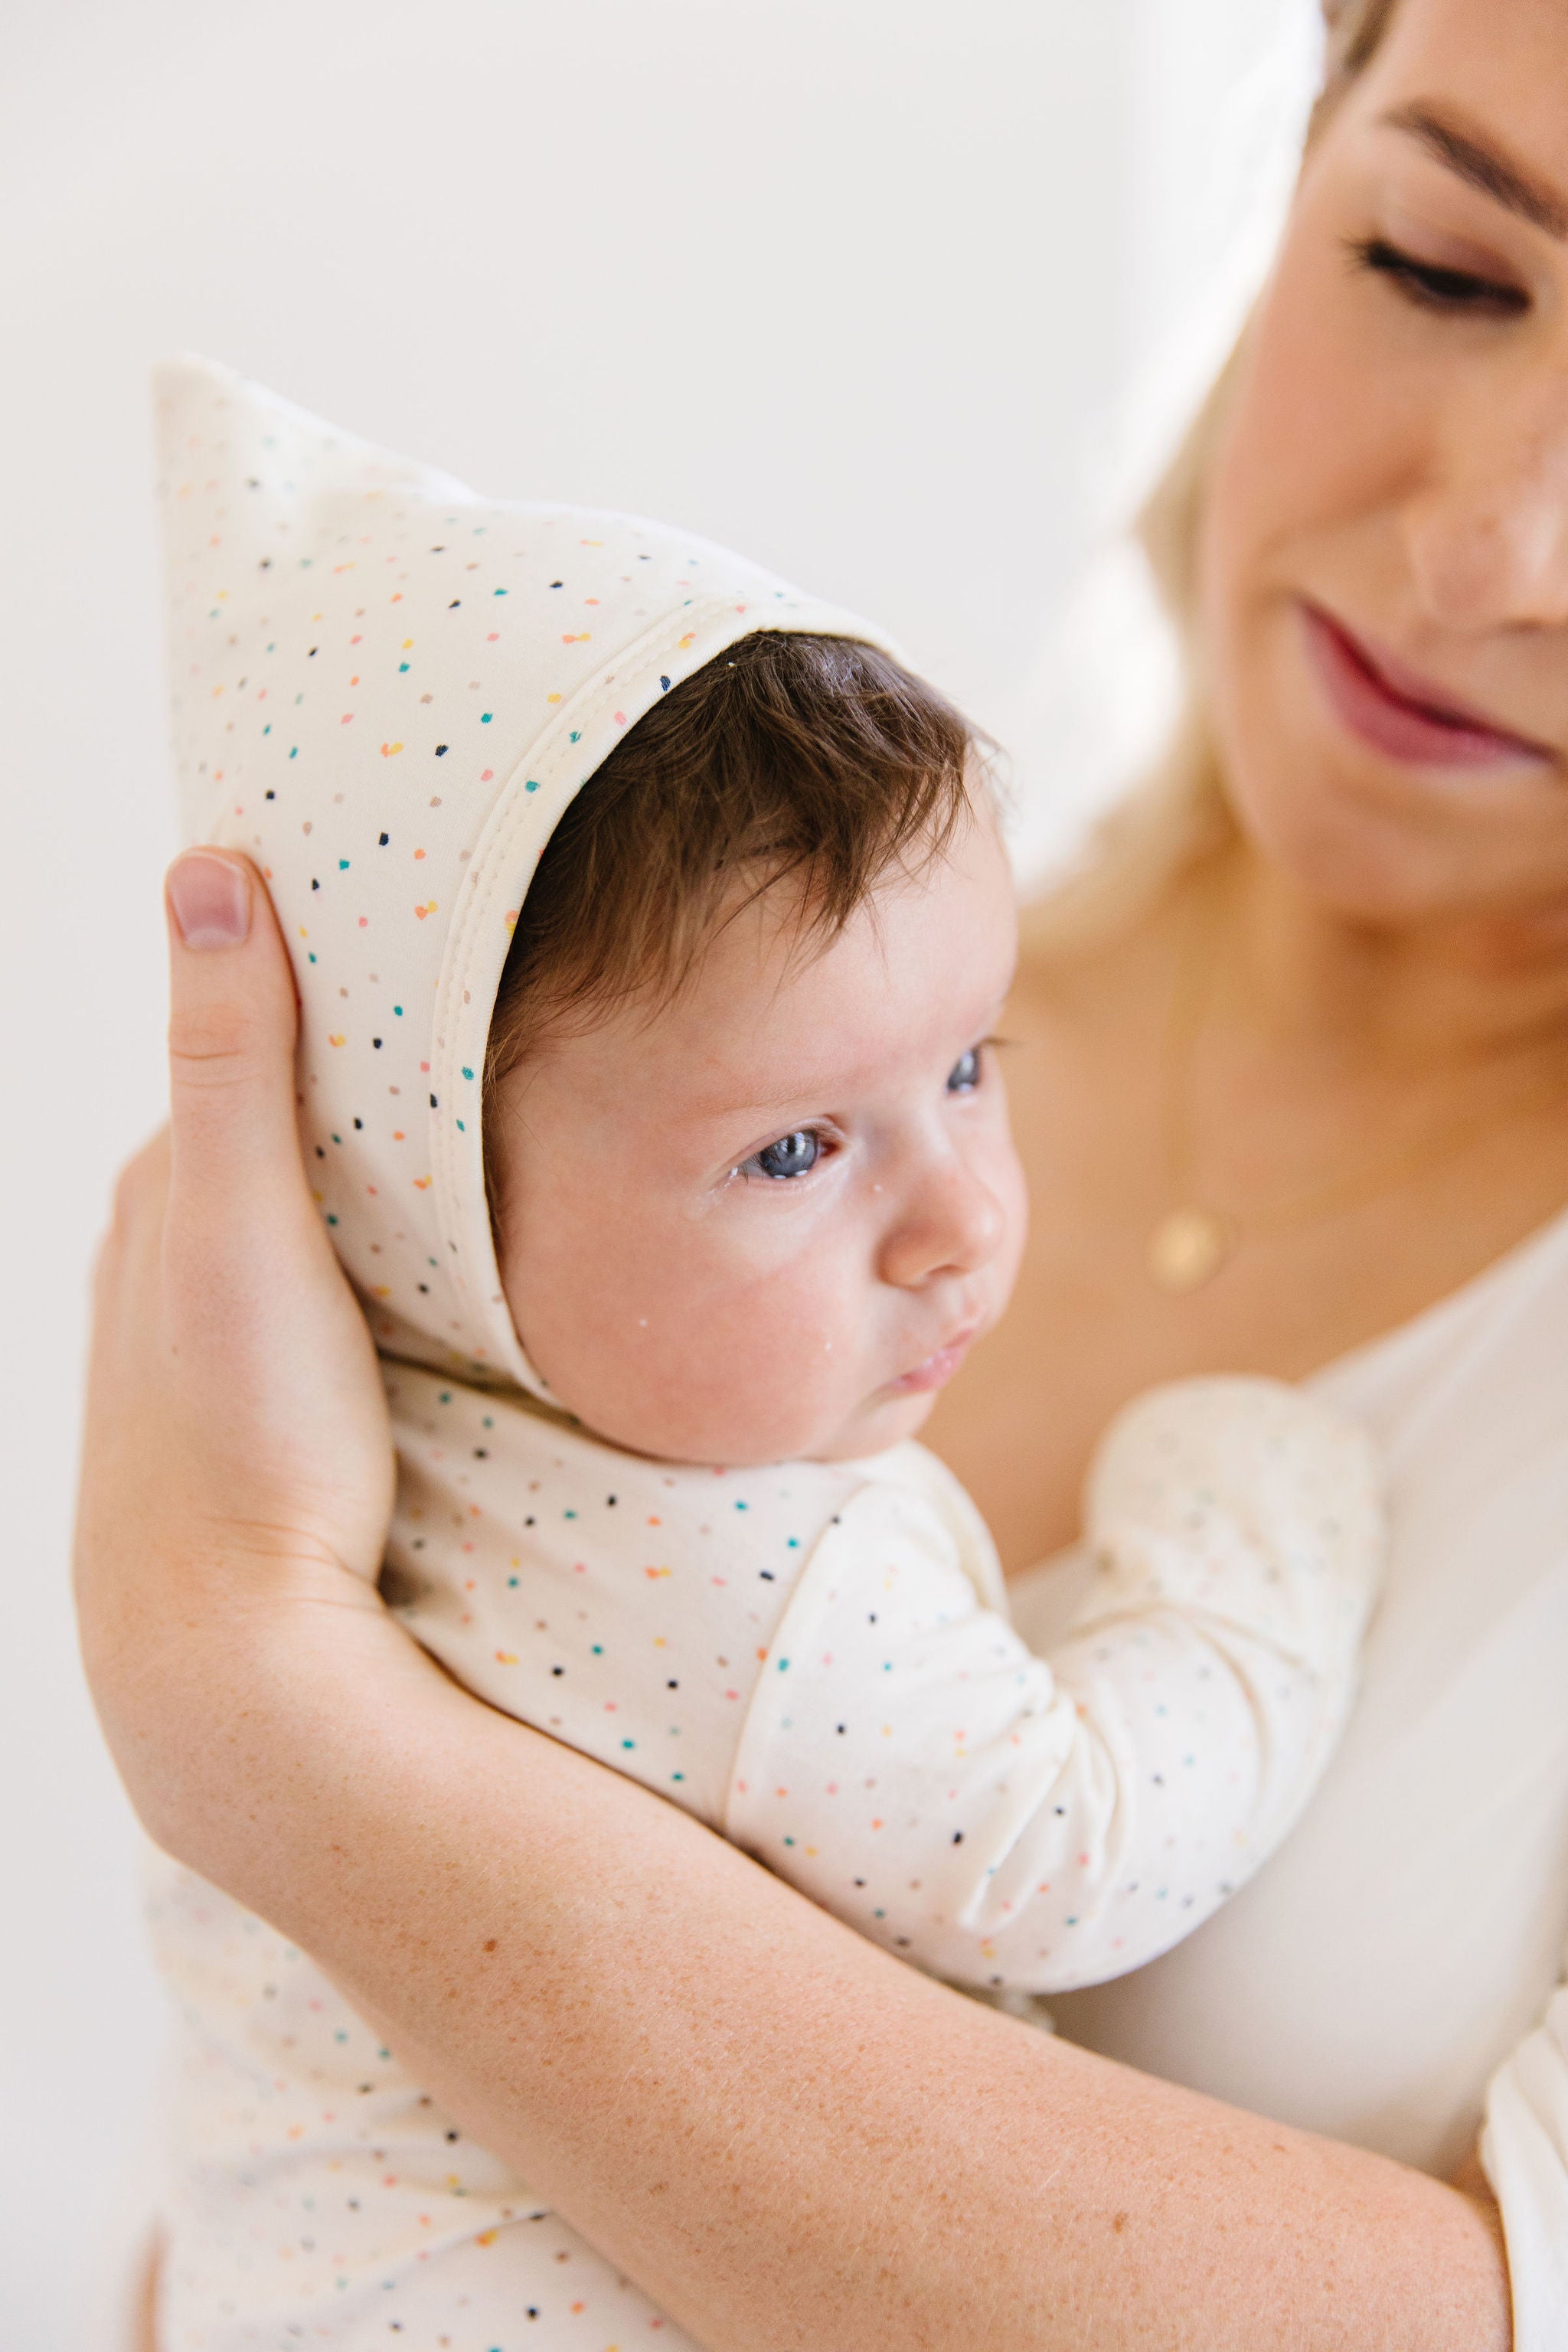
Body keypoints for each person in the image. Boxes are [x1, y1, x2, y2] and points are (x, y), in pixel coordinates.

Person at [75, 0, 1568, 2340]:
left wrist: (263, 1708)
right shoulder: (667, 1030)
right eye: (1444, 269)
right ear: (1292, 178)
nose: (1493, 543)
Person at [145, 360, 1383, 2347]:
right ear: (416, 1183)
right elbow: (1059, 1850)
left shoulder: (352, 1452)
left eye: (973, 1065)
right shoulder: (740, 1572)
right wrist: (1249, 1510)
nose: (963, 1214)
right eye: (795, 1149)